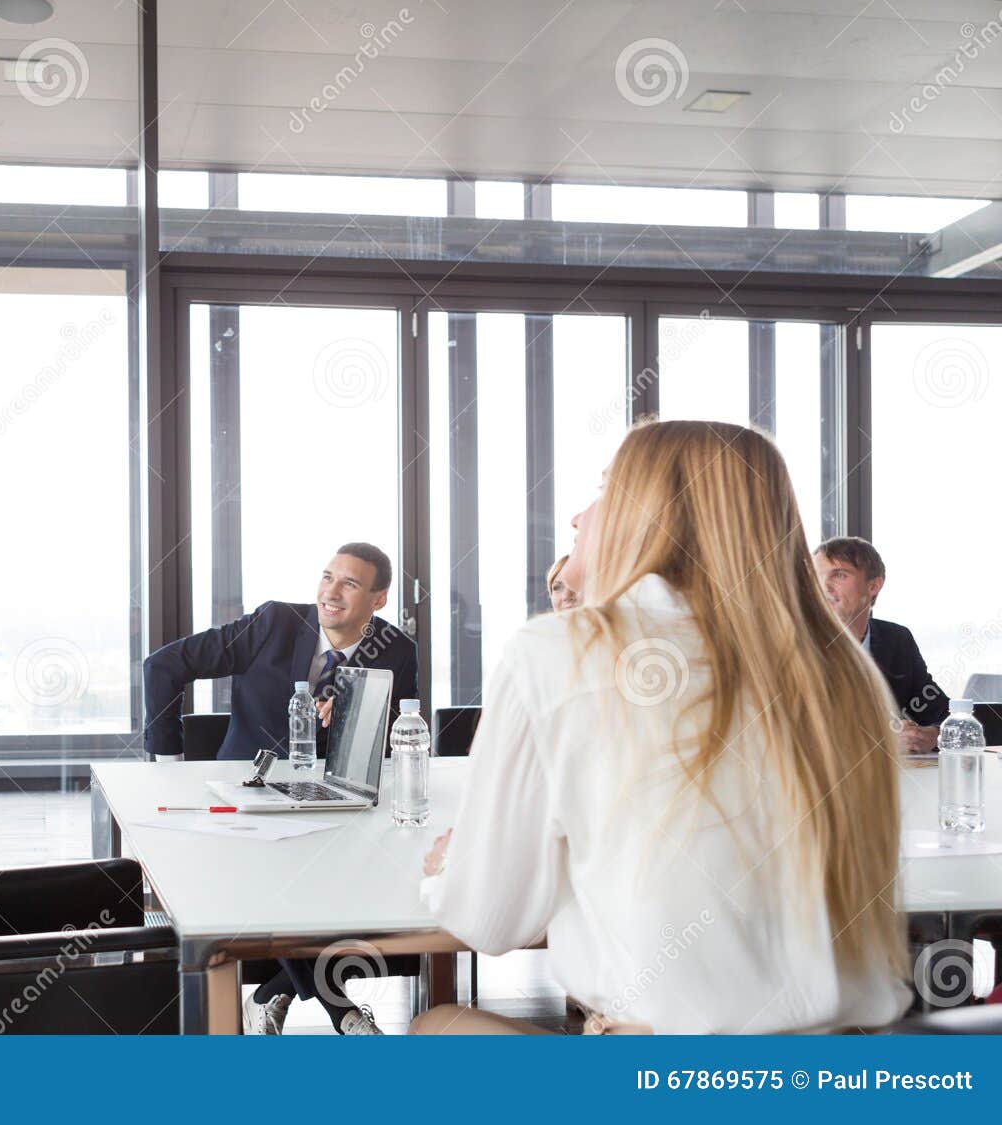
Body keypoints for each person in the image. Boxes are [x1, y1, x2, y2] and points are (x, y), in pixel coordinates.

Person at [412, 420, 909, 1035]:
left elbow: (489, 921)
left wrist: (451, 863)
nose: (577, 516)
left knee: (436, 1026)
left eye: (602, 489)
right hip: (845, 1070)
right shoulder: (842, 670)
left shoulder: (558, 652)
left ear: (645, 513)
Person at [143, 543, 418, 1035]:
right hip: (247, 798)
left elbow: (395, 738)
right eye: (328, 576)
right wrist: (169, 765)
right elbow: (162, 665)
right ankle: (344, 1014)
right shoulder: (274, 624)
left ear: (378, 600)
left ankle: (271, 993)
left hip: (330, 805)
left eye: (350, 584)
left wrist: (355, 715)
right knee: (291, 888)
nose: (331, 592)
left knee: (347, 881)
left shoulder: (397, 650)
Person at [814, 536, 949, 755]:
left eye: (839, 575)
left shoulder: (896, 640)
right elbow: (788, 733)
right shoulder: (794, 643)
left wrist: (931, 735)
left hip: (891, 783)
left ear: (874, 585)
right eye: (817, 576)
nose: (824, 586)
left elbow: (941, 711)